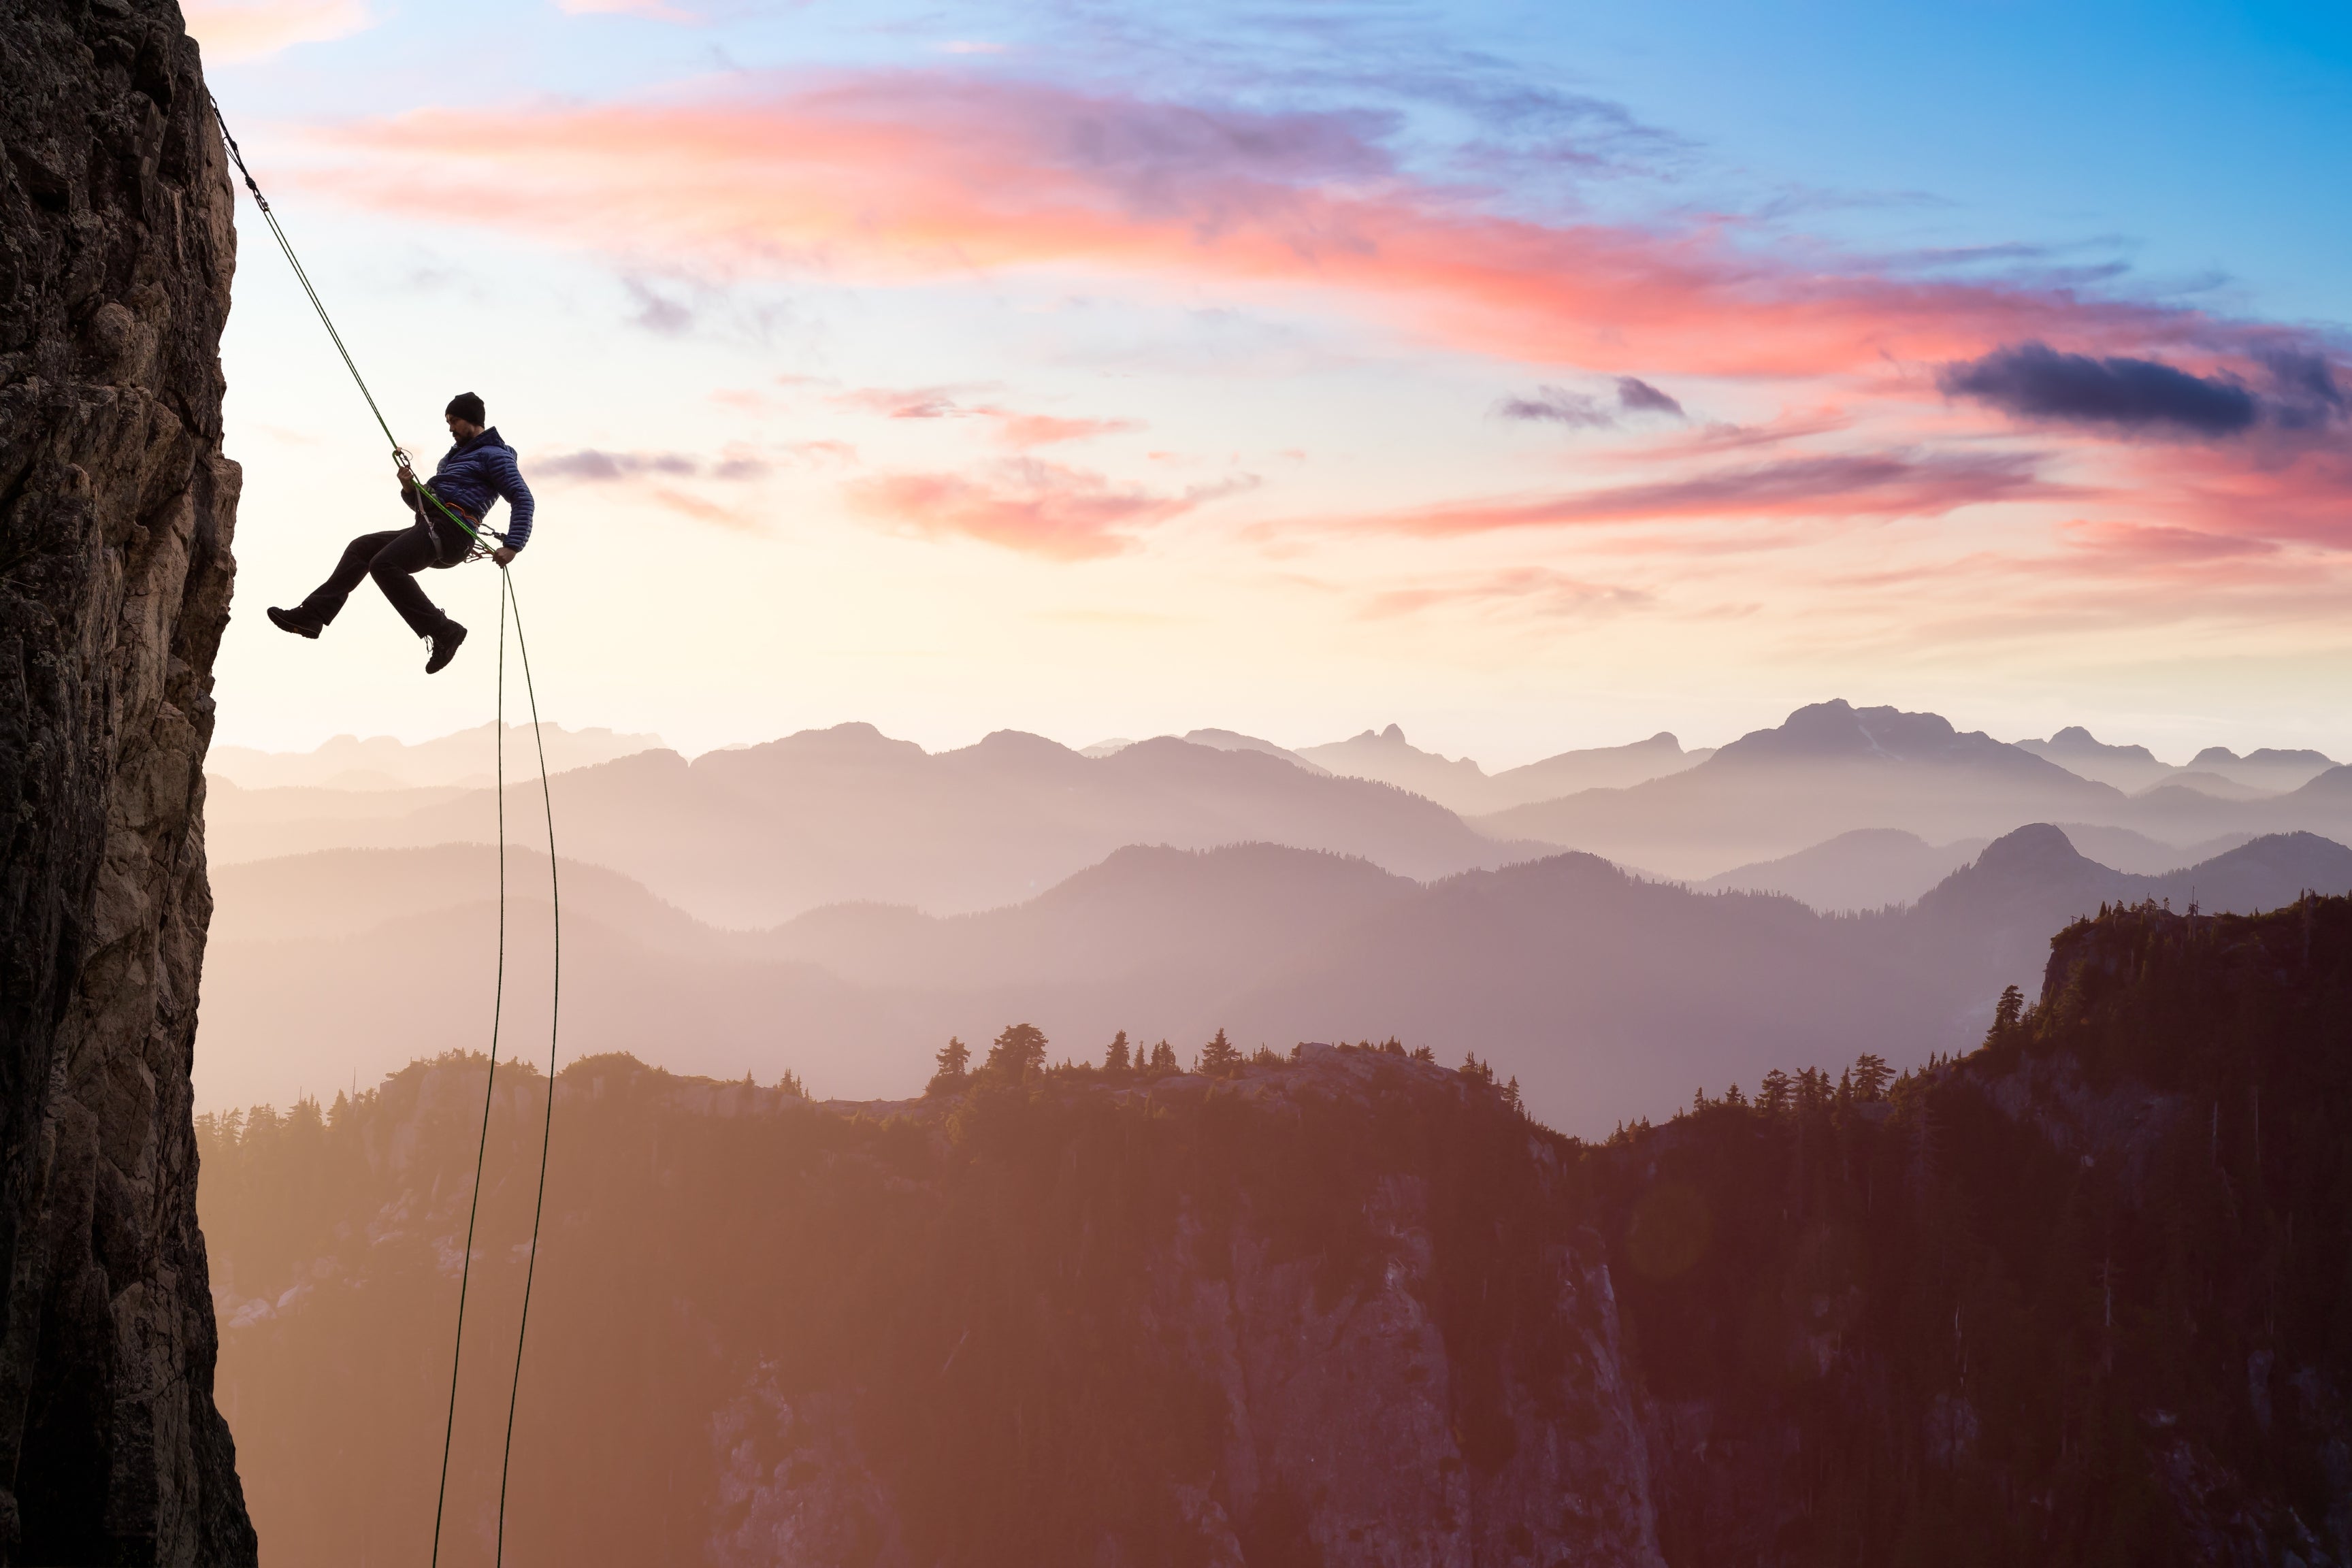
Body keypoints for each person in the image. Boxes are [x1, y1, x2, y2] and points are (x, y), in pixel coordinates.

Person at [266, 393, 535, 673]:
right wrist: (410, 489)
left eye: (454, 421)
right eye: (448, 422)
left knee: (383, 564)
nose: (450, 428)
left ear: (472, 420)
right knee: (362, 548)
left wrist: (513, 546)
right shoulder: (455, 458)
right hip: (433, 526)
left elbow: (523, 498)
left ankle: (443, 631)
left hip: (453, 532)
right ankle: (313, 615)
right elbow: (426, 506)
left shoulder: (495, 456)